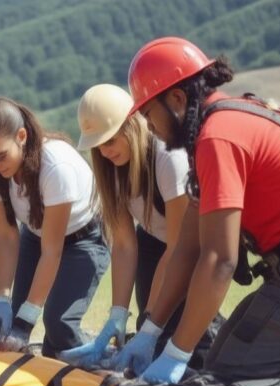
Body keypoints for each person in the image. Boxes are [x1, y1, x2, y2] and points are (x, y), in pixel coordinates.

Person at [116, 37, 280, 385]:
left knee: (230, 379)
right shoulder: (214, 129)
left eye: (149, 114)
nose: (149, 128)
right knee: (219, 356)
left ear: (177, 100)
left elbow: (218, 260)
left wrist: (175, 354)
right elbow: (189, 247)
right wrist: (149, 332)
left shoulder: (217, 138)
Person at [59, 83, 219, 369]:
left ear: (132, 125)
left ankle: (214, 358)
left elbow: (178, 249)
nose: (104, 152)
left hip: (190, 246)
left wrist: (148, 327)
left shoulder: (169, 159)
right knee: (153, 332)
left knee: (173, 328)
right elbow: (123, 244)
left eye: (109, 141)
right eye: (97, 145)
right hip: (151, 244)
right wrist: (117, 314)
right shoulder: (112, 169)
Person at [0, 96, 110, 357]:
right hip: (34, 236)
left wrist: (27, 320)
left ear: (21, 136)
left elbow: (52, 251)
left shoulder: (56, 167)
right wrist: (2, 298)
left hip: (83, 238)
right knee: (9, 323)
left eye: (0, 156)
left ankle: (102, 355)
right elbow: (5, 235)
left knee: (58, 327)